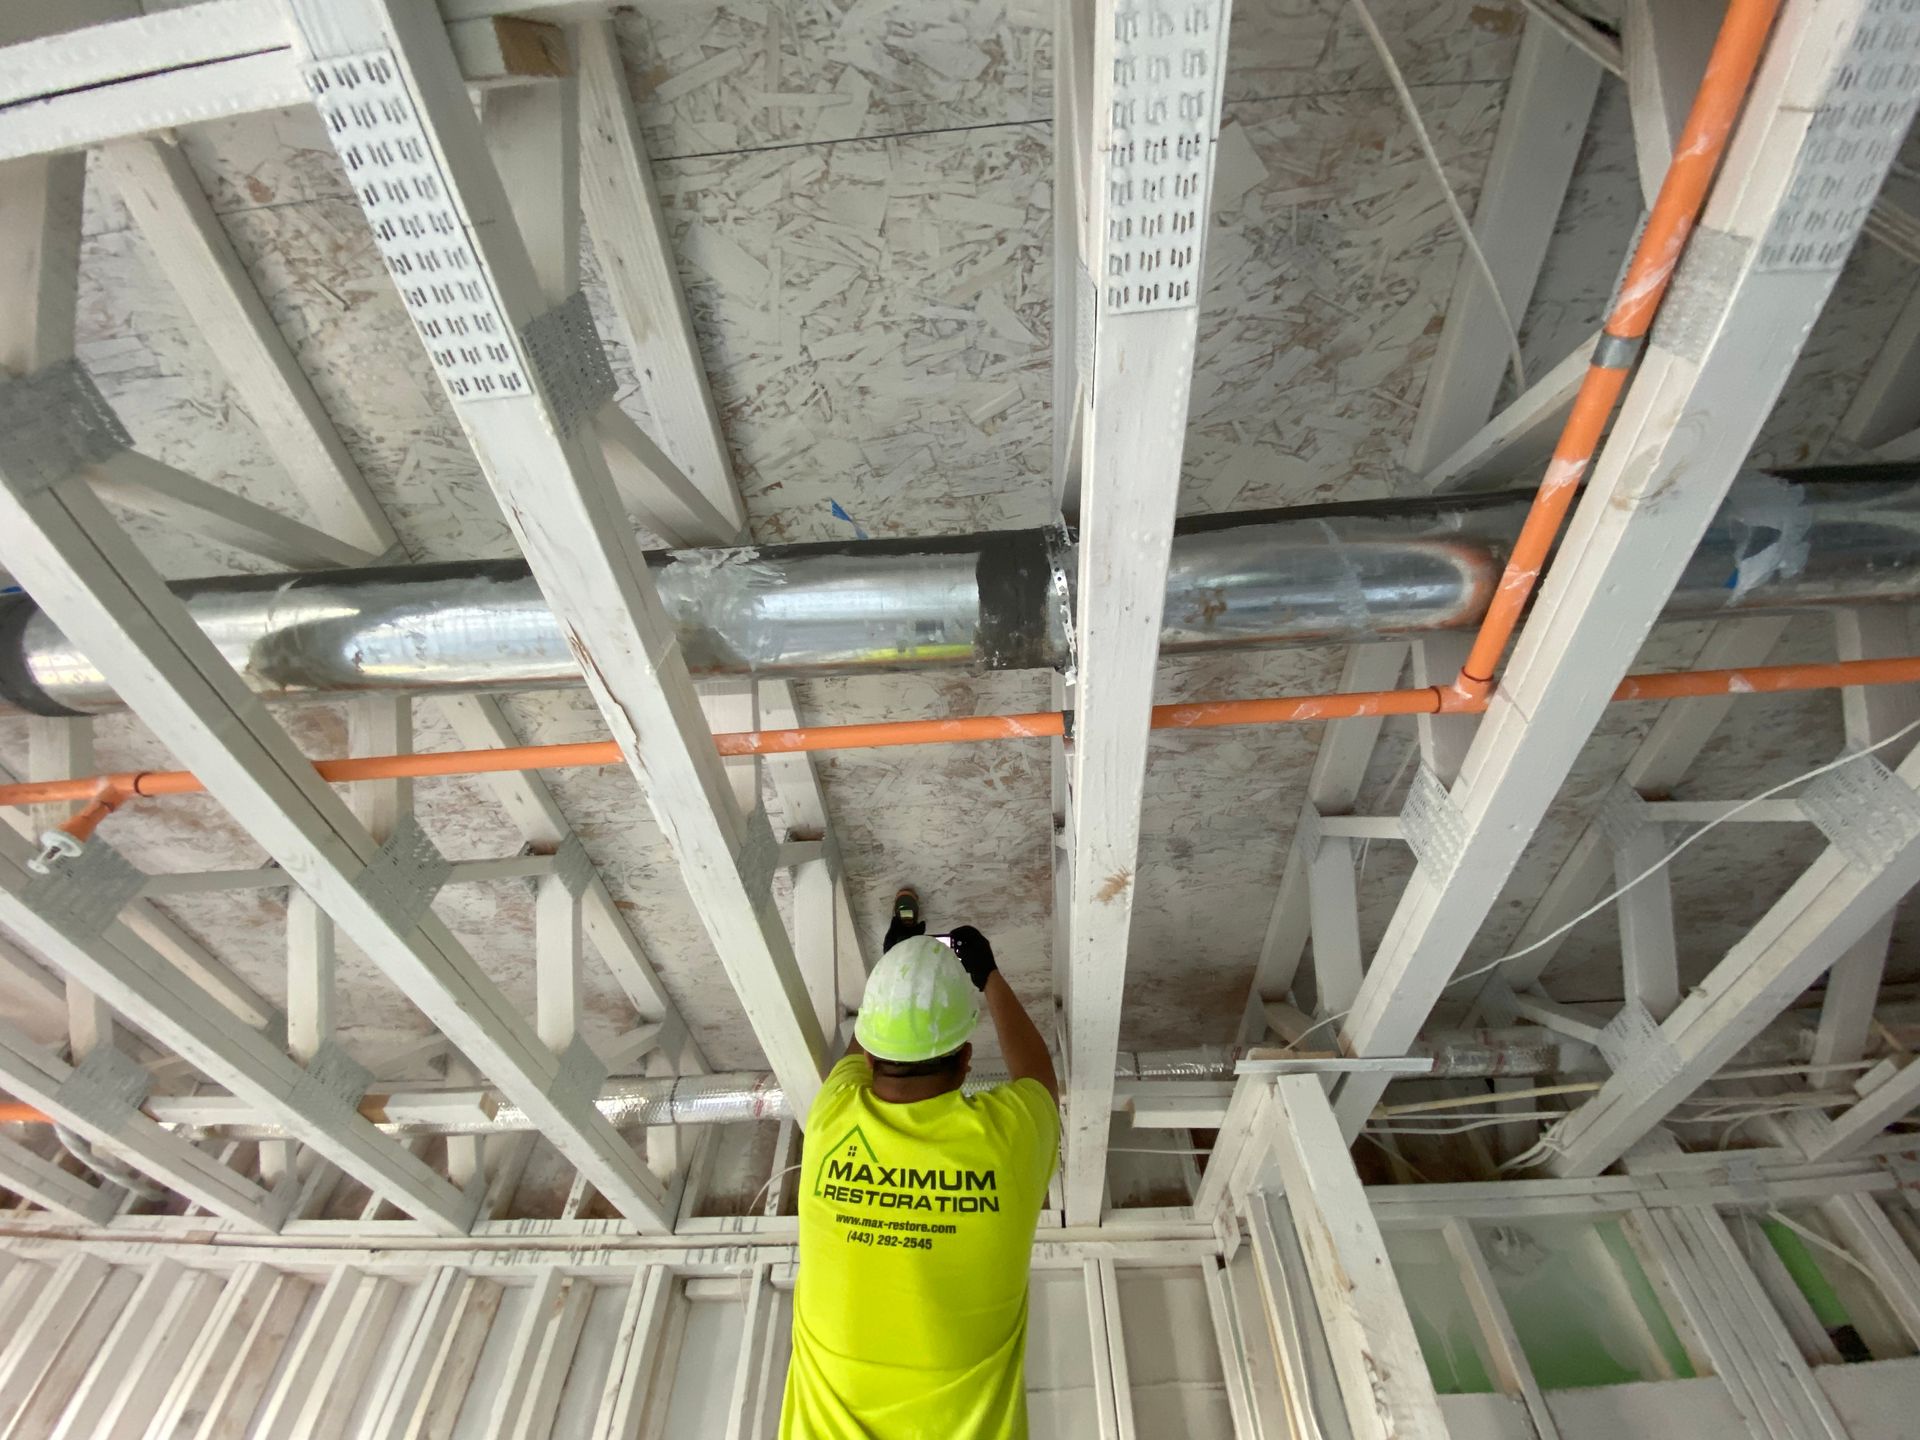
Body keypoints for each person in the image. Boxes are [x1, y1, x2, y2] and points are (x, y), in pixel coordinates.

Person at [780, 889, 1060, 1439]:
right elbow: (1038, 1081)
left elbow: (1040, 1087)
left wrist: (959, 976)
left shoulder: (835, 1122)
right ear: (965, 1061)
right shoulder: (831, 1121)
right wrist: (987, 974)